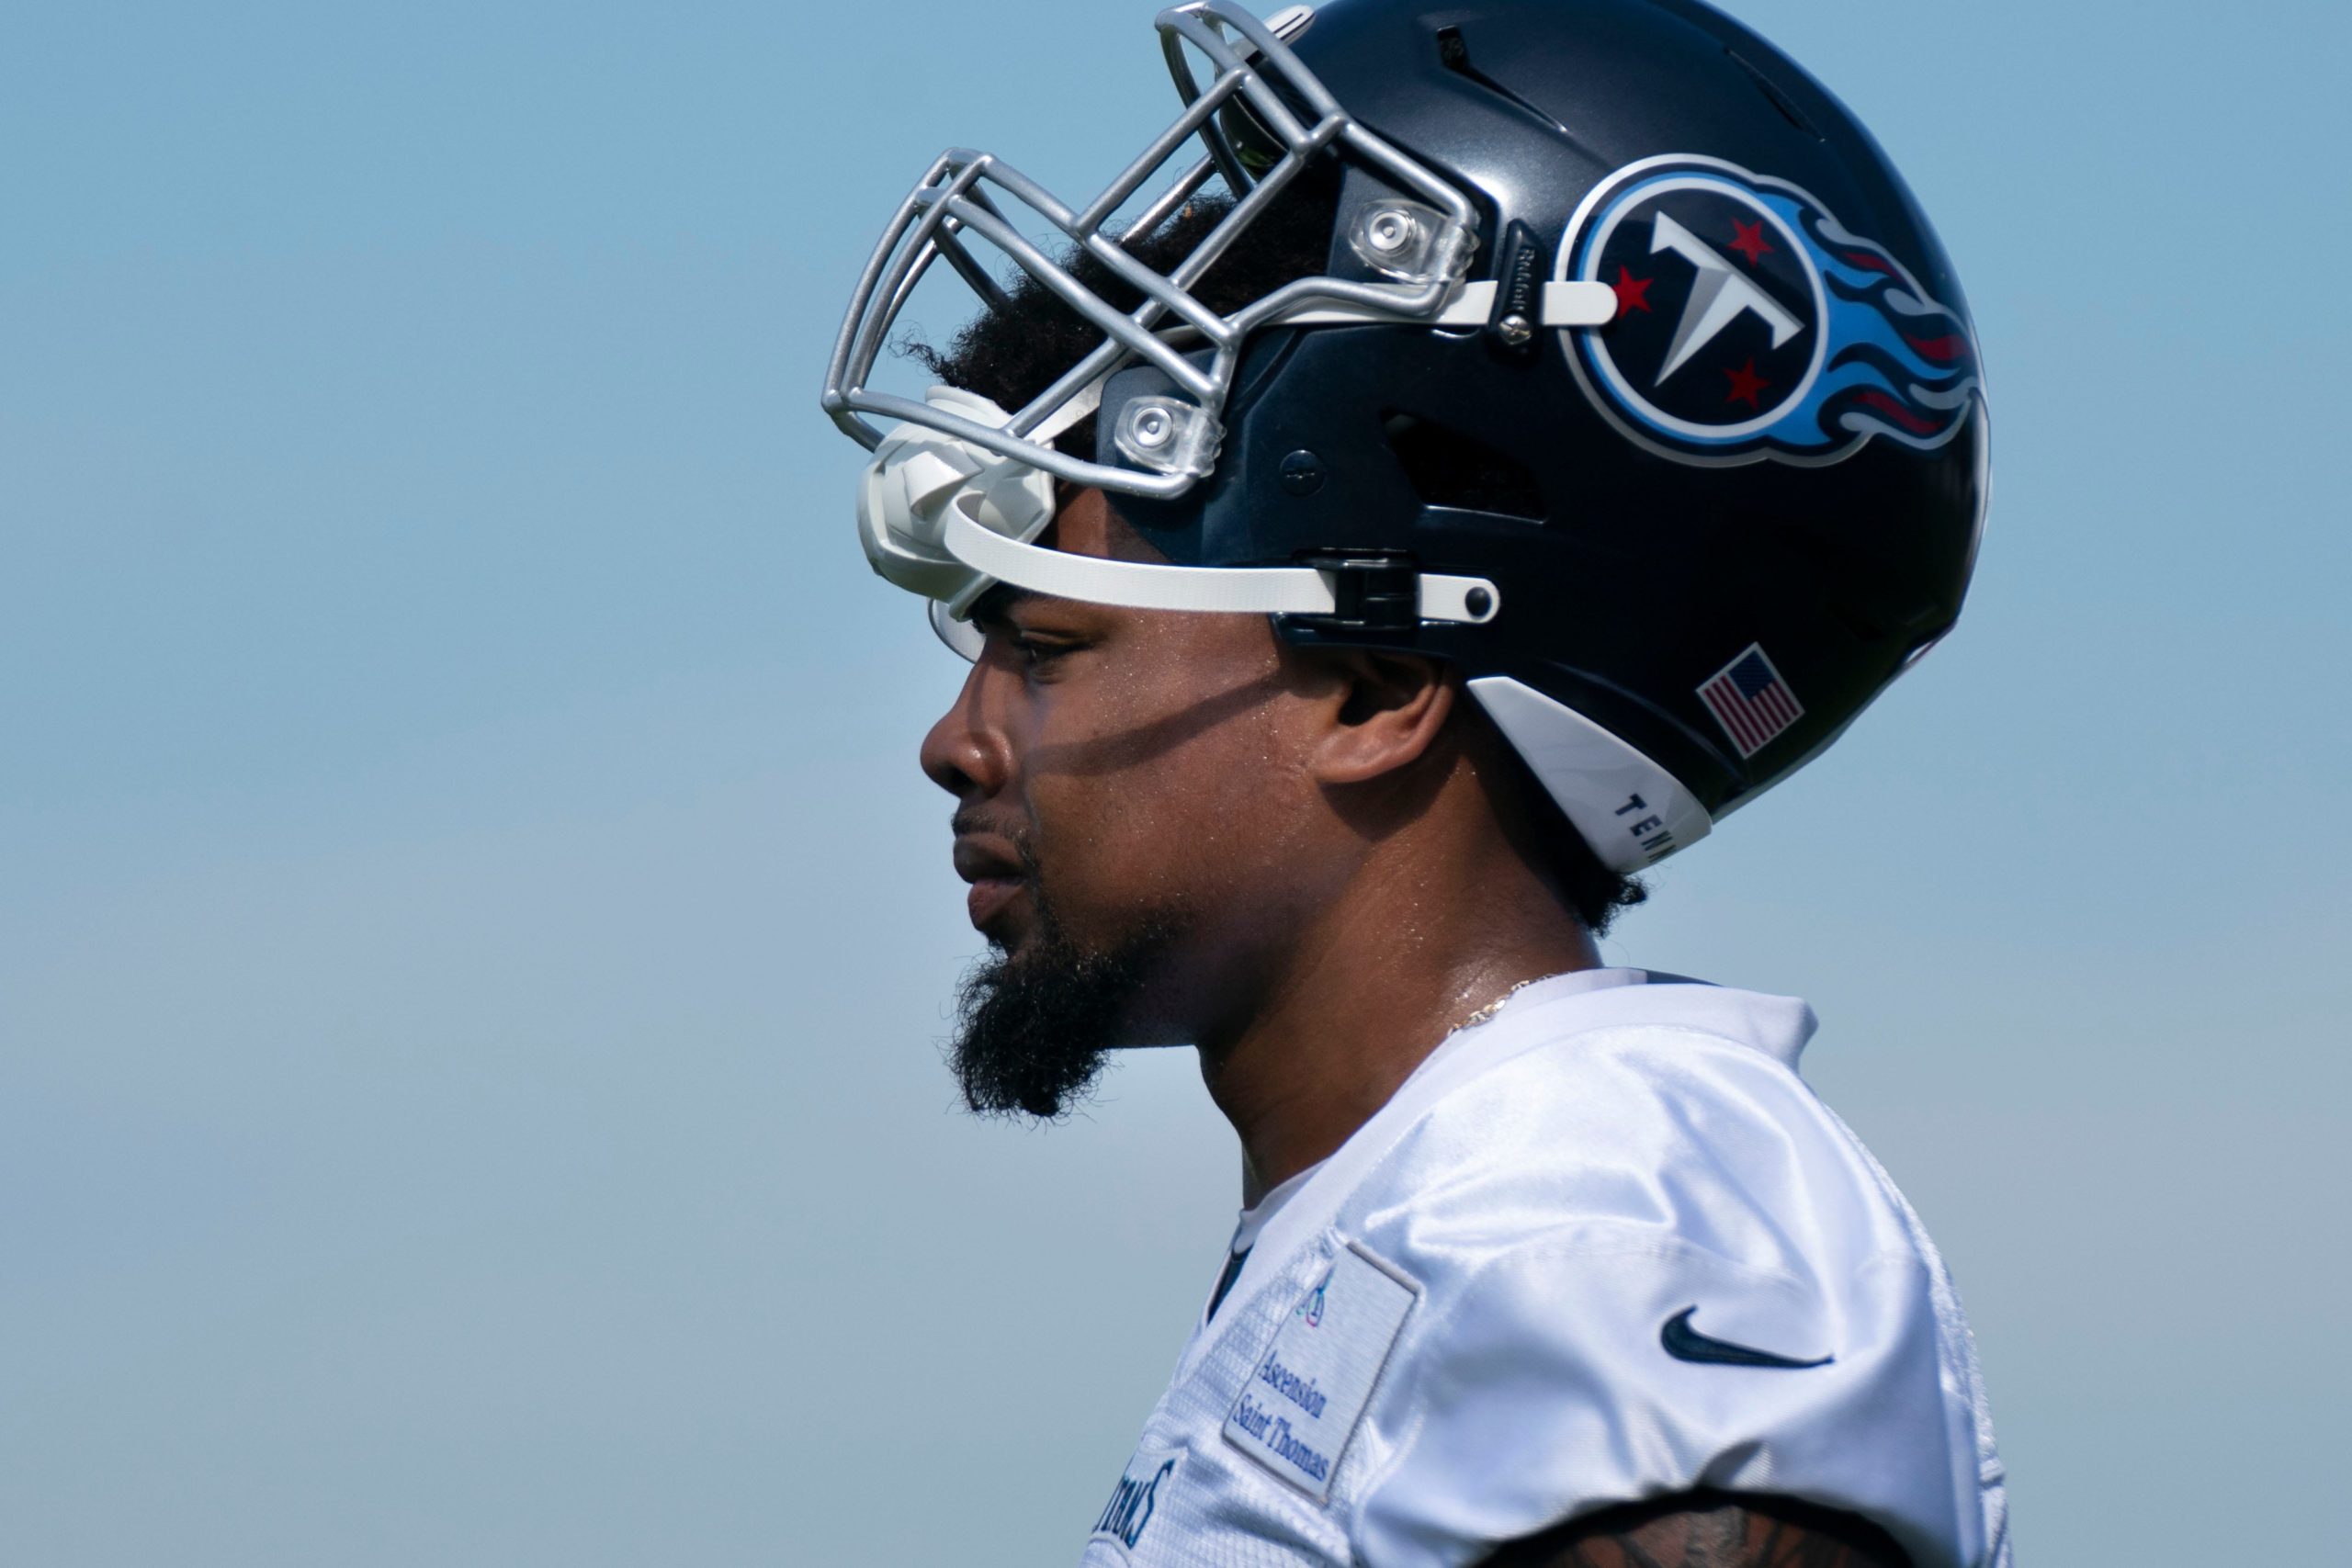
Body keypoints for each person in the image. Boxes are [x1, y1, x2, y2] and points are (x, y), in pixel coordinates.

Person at [820, 0, 2007, 1562]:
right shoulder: (1425, 1209)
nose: (958, 740)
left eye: (1046, 643)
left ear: (1377, 689)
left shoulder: (1590, 1219)